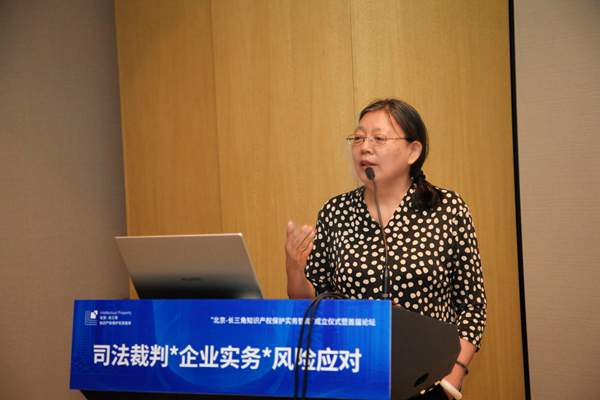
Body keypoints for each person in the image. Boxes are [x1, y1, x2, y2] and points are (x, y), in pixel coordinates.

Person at [285, 99, 486, 399]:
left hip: (429, 381)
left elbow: (472, 306)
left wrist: (453, 375)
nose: (365, 148)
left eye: (378, 138)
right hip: (353, 377)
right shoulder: (335, 212)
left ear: (413, 151)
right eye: (358, 138)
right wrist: (294, 271)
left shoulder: (448, 209)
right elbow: (315, 304)